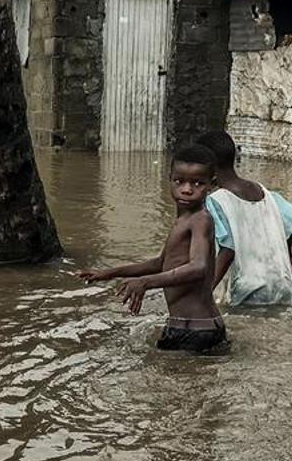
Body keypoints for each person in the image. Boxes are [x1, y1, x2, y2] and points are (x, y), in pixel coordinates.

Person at [77, 145, 227, 353]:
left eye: (197, 183)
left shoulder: (200, 219)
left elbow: (199, 267)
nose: (186, 189)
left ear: (212, 184)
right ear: (169, 179)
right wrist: (108, 273)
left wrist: (146, 283)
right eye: (179, 181)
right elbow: (160, 263)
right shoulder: (185, 219)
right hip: (200, 326)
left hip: (193, 330)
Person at [196, 130, 292, 307]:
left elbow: (227, 250)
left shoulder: (215, 202)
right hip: (284, 287)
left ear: (207, 168)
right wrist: (291, 261)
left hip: (246, 293)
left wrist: (202, 296)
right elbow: (288, 229)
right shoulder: (268, 195)